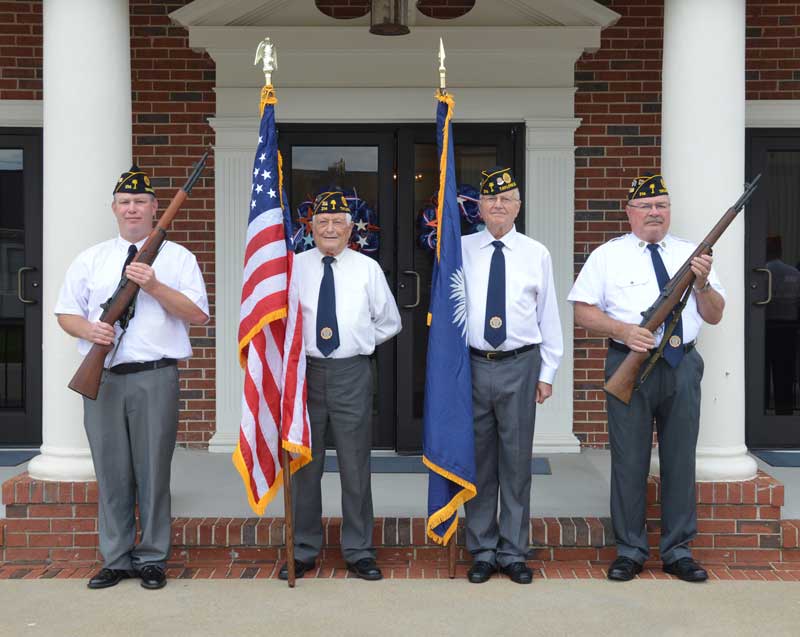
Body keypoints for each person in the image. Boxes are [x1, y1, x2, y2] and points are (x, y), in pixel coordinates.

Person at [55, 166, 209, 590]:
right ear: (114, 209)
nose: (132, 208)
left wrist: (155, 286)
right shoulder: (91, 258)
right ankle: (116, 558)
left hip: (154, 377)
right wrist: (90, 330)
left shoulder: (178, 258)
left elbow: (197, 314)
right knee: (111, 471)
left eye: (141, 202)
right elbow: (66, 313)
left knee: (153, 470)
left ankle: (153, 557)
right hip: (102, 379)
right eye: (125, 202)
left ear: (155, 208)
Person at [568, 173, 725, 583]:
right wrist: (622, 330)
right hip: (630, 364)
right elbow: (582, 310)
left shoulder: (695, 254)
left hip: (682, 366)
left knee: (679, 459)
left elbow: (714, 313)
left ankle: (678, 550)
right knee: (629, 461)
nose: (654, 213)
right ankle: (630, 550)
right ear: (629, 213)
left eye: (661, 206)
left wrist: (703, 283)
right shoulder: (608, 255)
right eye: (646, 206)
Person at [279, 191, 401, 581]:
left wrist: (360, 340)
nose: (330, 228)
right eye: (322, 222)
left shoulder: (367, 269)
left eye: (337, 223)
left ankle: (359, 550)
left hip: (352, 373)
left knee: (354, 464)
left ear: (350, 229)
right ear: (310, 228)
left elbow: (390, 321)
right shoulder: (293, 267)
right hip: (306, 375)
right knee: (304, 466)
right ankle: (303, 548)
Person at [461, 167, 563, 584]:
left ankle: (514, 550)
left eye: (506, 199)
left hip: (520, 364)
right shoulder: (461, 249)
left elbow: (549, 315)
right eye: (490, 199)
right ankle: (483, 550)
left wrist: (548, 371)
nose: (498, 205)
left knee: (516, 463)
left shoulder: (536, 253)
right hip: (472, 366)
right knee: (480, 464)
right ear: (480, 208)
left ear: (518, 206)